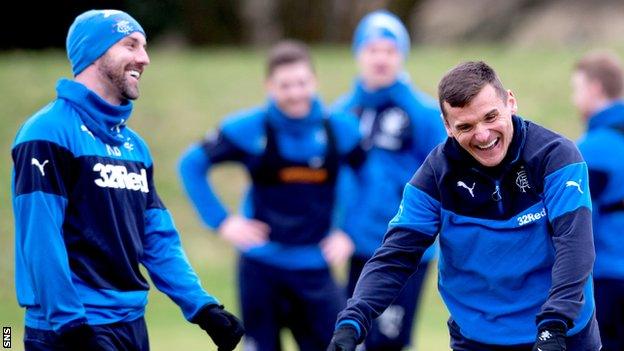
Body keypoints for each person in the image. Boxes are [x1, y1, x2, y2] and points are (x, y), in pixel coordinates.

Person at [11, 9, 244, 351]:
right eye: (131, 45)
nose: (144, 58)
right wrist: (70, 326)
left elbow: (156, 236)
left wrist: (202, 307)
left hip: (130, 325)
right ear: (94, 52)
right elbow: (41, 239)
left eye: (145, 47)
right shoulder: (47, 133)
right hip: (72, 329)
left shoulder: (136, 147)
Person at [327, 61, 601, 351]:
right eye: (466, 126)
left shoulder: (556, 157)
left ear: (511, 102)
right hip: (477, 338)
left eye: (491, 116)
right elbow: (396, 254)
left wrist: (554, 324)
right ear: (447, 126)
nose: (482, 135)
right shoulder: (435, 175)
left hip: (561, 332)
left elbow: (575, 244)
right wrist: (352, 321)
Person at [178, 40, 364, 351]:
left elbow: (370, 179)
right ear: (269, 86)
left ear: (314, 82)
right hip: (261, 269)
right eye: (285, 85)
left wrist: (350, 233)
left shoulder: (342, 130)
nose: (295, 93)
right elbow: (191, 164)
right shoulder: (247, 129)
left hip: (315, 268)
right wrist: (222, 222)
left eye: (302, 83)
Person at [331, 10, 447, 351]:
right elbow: (331, 182)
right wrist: (335, 229)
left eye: (390, 50)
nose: (381, 58)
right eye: (372, 49)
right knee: (352, 337)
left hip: (406, 248)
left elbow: (443, 178)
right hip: (355, 246)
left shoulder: (424, 114)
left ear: (402, 56)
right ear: (358, 54)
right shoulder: (340, 114)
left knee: (390, 341)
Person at [572, 51, 624, 351]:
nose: (575, 99)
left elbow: (577, 224)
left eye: (576, 89)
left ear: (594, 89)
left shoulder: (589, 151)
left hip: (609, 279)